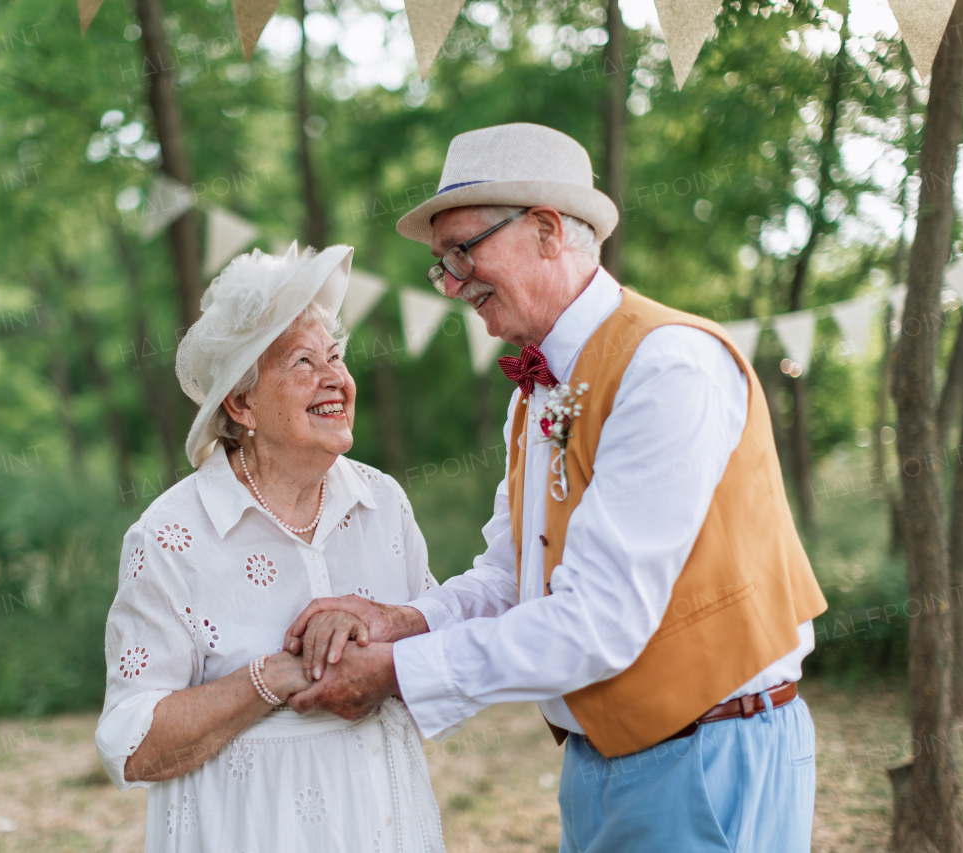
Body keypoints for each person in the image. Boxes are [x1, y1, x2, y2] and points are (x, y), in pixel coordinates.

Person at [285, 123, 829, 852]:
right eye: (441, 263)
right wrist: (400, 621)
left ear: (546, 230)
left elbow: (601, 619)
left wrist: (395, 672)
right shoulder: (534, 393)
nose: (451, 282)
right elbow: (513, 577)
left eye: (462, 251)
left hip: (710, 752)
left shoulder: (669, 366)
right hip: (597, 761)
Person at [94, 243, 445, 852]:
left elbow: (444, 650)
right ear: (241, 403)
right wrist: (272, 676)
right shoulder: (171, 535)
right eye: (303, 363)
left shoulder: (382, 501)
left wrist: (378, 635)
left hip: (385, 821)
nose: (335, 377)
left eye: (336, 356)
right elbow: (133, 746)